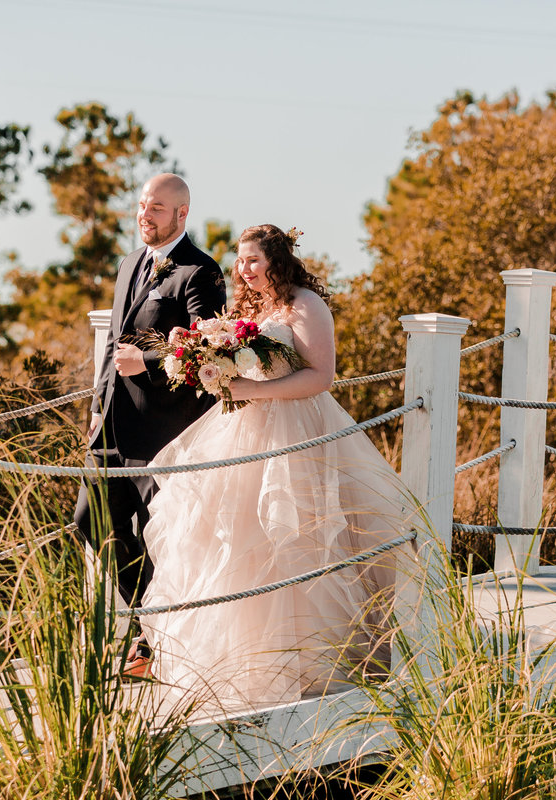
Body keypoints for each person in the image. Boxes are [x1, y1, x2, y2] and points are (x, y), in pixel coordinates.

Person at [139, 224, 407, 713]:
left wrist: (252, 391)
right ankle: (237, 660)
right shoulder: (253, 309)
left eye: (253, 260)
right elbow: (237, 359)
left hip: (296, 431)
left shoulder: (306, 305)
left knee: (295, 538)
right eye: (240, 261)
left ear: (277, 260)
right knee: (232, 536)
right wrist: (202, 358)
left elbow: (321, 376)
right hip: (241, 431)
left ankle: (313, 663)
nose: (244, 269)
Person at [74, 173, 226, 674]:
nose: (145, 214)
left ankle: (161, 644)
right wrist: (97, 407)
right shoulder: (128, 265)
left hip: (166, 433)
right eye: (142, 205)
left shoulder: (201, 272)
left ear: (182, 214)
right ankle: (150, 626)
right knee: (89, 522)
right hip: (112, 430)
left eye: (157, 207)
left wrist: (152, 364)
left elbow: (210, 354)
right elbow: (116, 340)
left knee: (166, 536)